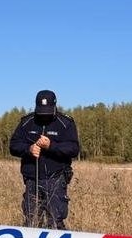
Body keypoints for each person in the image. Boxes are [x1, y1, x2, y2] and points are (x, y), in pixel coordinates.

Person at [8, 89, 80, 229]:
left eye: (47, 111)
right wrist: (28, 149)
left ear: (54, 107)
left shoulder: (66, 123)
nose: (44, 115)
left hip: (56, 180)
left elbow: (73, 149)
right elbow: (13, 146)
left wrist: (51, 146)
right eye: (41, 111)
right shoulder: (26, 122)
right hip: (31, 180)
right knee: (32, 222)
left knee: (55, 222)